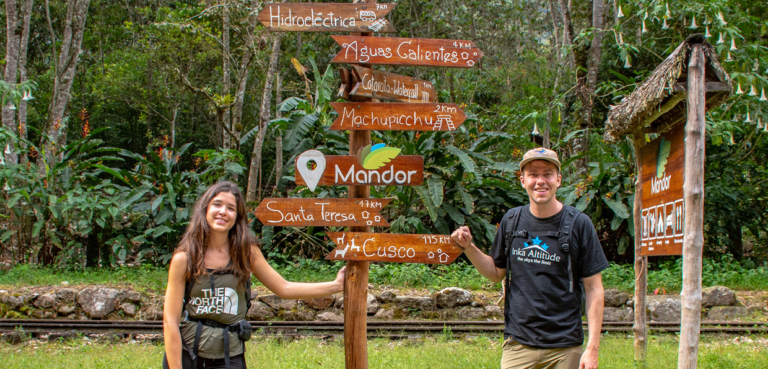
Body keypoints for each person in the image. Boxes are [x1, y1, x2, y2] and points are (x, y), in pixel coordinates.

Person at [451, 148, 608, 369]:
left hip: (564, 348)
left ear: (558, 180)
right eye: (533, 174)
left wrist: (592, 348)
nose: (540, 181)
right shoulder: (511, 221)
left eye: (548, 174)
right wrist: (468, 248)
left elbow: (594, 288)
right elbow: (496, 273)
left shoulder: (579, 224)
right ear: (523, 180)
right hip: (518, 344)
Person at [163, 181, 345, 369]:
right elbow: (171, 321)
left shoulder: (245, 252)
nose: (223, 211)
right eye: (217, 204)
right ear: (205, 208)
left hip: (229, 354)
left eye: (231, 208)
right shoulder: (185, 258)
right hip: (188, 353)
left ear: (238, 216)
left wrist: (337, 285)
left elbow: (284, 288)